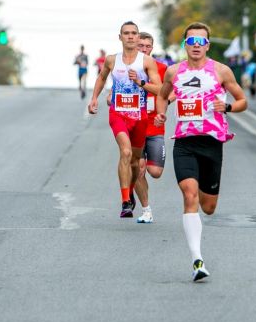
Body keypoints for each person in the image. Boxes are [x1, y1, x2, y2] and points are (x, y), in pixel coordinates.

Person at [155, 22, 247, 282]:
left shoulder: (221, 71)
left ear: (207, 45)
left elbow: (243, 101)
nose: (196, 46)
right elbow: (162, 96)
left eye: (201, 42)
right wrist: (161, 113)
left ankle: (198, 255)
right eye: (191, 41)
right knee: (189, 194)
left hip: (211, 143)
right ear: (185, 44)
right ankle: (197, 260)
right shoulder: (173, 72)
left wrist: (227, 107)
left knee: (208, 207)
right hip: (184, 143)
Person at [88, 21, 162, 218]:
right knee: (126, 152)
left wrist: (141, 82)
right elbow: (102, 78)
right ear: (120, 37)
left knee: (136, 162)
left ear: (138, 38)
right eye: (126, 33)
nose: (130, 36)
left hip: (140, 116)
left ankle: (129, 191)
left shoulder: (147, 62)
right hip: (118, 114)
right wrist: (94, 98)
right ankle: (125, 202)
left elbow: (160, 89)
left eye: (134, 33)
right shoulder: (112, 60)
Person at [106, 32, 171, 223]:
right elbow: (116, 89)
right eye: (140, 46)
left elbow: (171, 91)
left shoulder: (160, 68)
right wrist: (111, 97)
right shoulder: (128, 65)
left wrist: (165, 103)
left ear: (152, 47)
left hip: (155, 126)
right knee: (137, 164)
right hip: (134, 122)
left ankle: (131, 184)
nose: (143, 49)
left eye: (147, 46)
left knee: (155, 172)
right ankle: (145, 209)